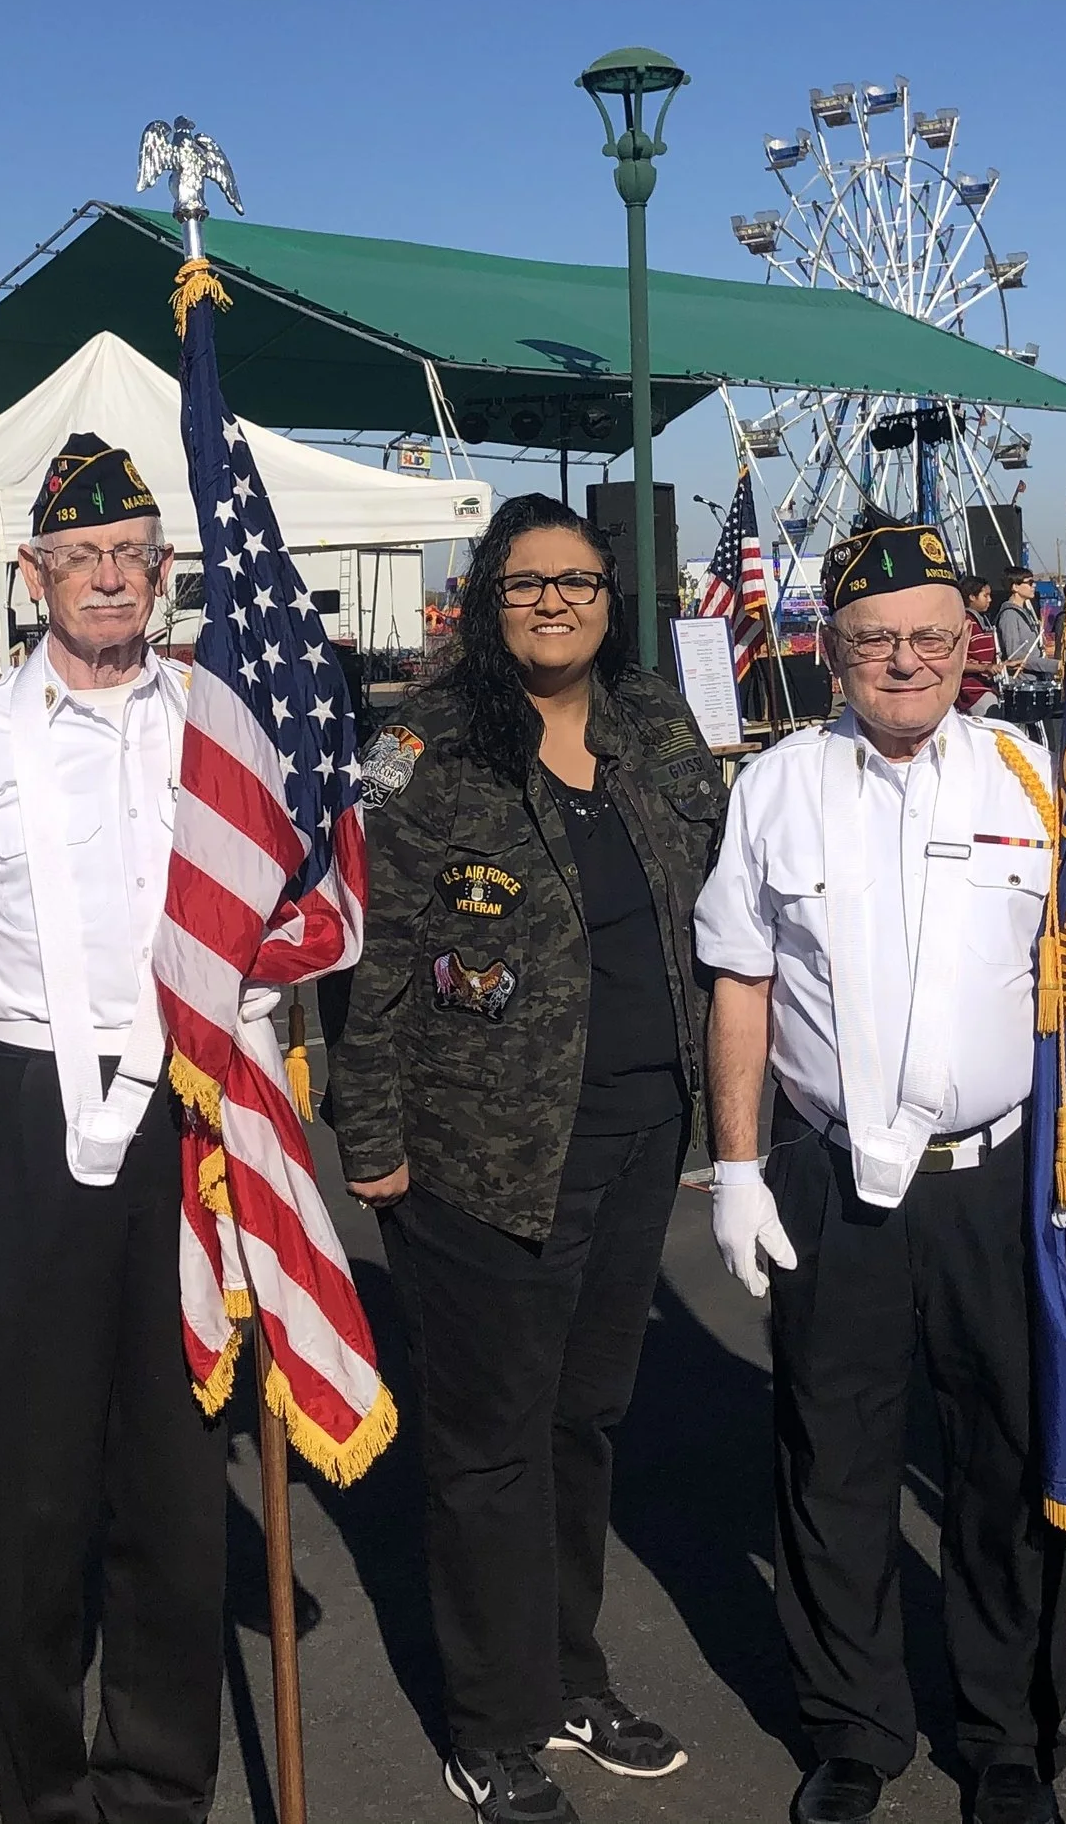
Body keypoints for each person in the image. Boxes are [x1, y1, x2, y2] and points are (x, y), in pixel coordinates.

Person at [697, 518, 1066, 1824]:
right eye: (878, 638)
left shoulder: (1037, 777)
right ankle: (853, 1724)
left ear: (974, 647)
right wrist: (735, 1165)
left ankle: (1006, 1731)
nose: (908, 660)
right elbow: (741, 977)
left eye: (934, 637)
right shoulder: (775, 788)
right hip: (836, 1181)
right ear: (832, 651)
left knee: (1004, 1460)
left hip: (998, 1184)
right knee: (830, 1458)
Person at [329, 494, 726, 1824]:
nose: (555, 601)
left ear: (613, 592)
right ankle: (492, 1718)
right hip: (479, 1150)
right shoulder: (421, 746)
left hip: (631, 1133)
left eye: (579, 579)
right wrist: (369, 1136)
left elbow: (717, 900)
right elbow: (372, 955)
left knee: (583, 1420)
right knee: (490, 1442)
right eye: (525, 582)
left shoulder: (655, 720)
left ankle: (568, 1669)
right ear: (483, 601)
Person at [0, 432, 229, 1824]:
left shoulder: (218, 717)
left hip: (188, 1097)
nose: (110, 576)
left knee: (175, 1458)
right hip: (29, 1098)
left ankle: (160, 1777)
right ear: (35, 572)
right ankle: (42, 1788)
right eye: (81, 554)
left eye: (132, 554)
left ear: (161, 571)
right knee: (32, 1478)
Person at [957, 572, 1002, 715]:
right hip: (972, 692)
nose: (990, 600)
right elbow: (957, 663)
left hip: (987, 686)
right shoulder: (965, 623)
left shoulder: (983, 621)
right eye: (985, 596)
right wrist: (985, 667)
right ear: (971, 597)